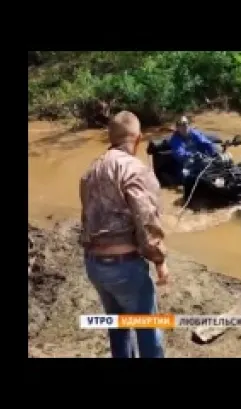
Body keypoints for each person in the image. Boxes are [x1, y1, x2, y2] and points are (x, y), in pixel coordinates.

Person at [79, 110, 169, 358]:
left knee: (117, 326)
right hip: (125, 267)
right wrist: (159, 260)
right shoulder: (134, 169)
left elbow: (87, 217)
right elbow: (147, 219)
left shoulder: (90, 171)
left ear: (111, 138)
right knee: (148, 328)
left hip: (94, 265)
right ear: (138, 138)